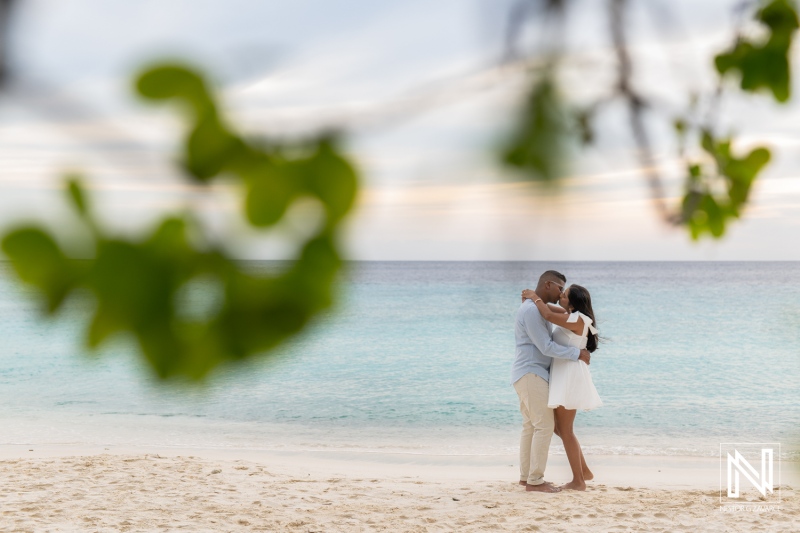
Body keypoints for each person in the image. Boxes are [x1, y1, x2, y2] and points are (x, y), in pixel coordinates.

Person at [511, 270, 591, 493]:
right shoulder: (532, 310)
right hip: (531, 373)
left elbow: (552, 313)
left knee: (531, 427)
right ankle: (535, 481)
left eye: (564, 293)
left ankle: (527, 478)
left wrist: (533, 298)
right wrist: (577, 354)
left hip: (531, 373)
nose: (560, 295)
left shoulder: (537, 308)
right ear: (548, 285)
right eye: (559, 289)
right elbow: (545, 347)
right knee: (544, 427)